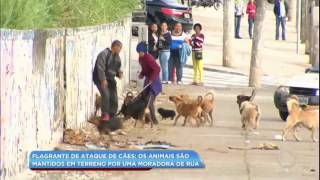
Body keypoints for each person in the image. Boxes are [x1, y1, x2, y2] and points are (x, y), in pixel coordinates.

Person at [92, 40, 123, 121]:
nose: (120, 50)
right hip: (100, 78)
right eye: (119, 48)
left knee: (114, 97)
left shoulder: (117, 57)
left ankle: (112, 115)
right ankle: (105, 114)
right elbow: (100, 67)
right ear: (114, 46)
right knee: (106, 95)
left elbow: (117, 68)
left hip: (110, 79)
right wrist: (103, 79)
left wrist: (119, 73)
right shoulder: (104, 54)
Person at [137, 42, 162, 125]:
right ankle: (148, 119)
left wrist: (152, 79)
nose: (139, 54)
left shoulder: (149, 58)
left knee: (149, 101)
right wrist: (142, 74)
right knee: (144, 99)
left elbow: (157, 69)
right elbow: (145, 69)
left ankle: (154, 120)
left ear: (144, 51)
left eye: (140, 52)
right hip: (147, 81)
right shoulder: (140, 59)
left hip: (154, 82)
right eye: (138, 52)